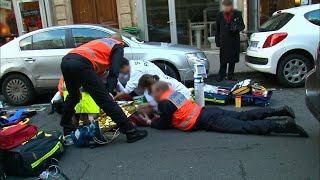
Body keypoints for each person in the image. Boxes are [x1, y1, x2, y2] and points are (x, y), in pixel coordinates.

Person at [60, 33, 147, 143]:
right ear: (121, 42)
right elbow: (114, 71)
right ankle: (131, 132)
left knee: (73, 96)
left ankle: (67, 129)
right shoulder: (118, 46)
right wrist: (108, 91)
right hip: (82, 64)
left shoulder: (100, 42)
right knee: (105, 100)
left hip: (66, 61)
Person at [141, 81, 308, 137]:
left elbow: (164, 123)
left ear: (158, 92)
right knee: (243, 116)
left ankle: (283, 126)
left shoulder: (163, 103)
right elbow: (172, 112)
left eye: (153, 93)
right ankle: (279, 111)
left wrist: (150, 122)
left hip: (205, 120)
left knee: (242, 127)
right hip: (207, 112)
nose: (152, 96)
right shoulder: (173, 93)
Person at [215, 0, 245, 82]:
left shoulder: (237, 14)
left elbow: (242, 25)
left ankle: (231, 75)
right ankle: (221, 75)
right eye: (225, 6)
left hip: (233, 40)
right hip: (224, 40)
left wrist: (236, 29)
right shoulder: (220, 15)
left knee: (232, 59)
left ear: (231, 6)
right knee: (223, 59)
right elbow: (217, 29)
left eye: (227, 6)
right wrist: (217, 41)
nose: (226, 8)